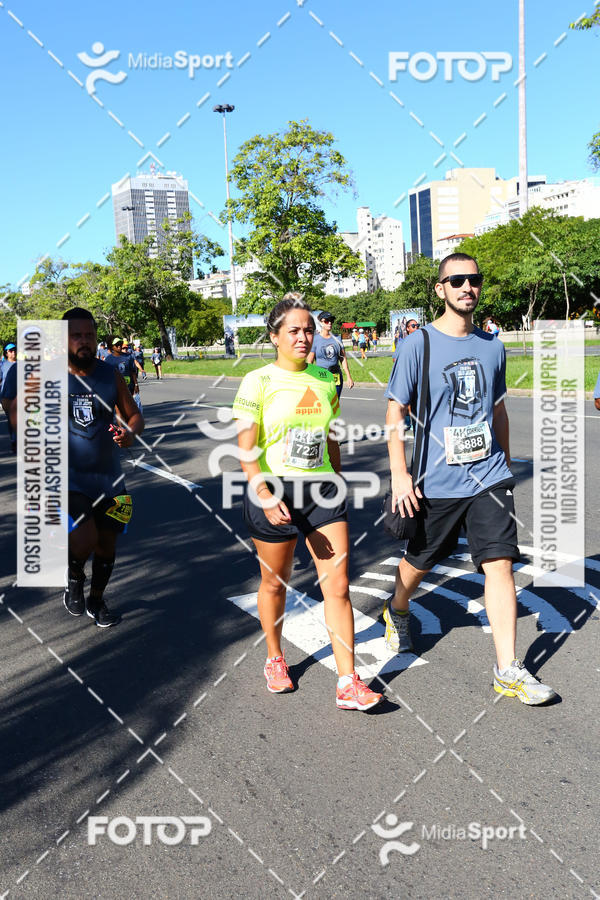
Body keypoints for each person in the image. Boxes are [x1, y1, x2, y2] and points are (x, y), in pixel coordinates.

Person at [382, 252, 556, 705]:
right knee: (420, 560)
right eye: (456, 280)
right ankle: (397, 609)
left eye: (473, 280)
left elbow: (498, 409)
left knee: (499, 564)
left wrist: (507, 465)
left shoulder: (492, 345)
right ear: (440, 289)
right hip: (435, 480)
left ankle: (507, 669)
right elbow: (394, 411)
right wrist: (400, 474)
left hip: (488, 479)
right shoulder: (416, 345)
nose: (467, 287)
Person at [232, 293, 382, 711]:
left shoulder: (324, 379)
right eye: (294, 330)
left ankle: (348, 682)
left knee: (337, 584)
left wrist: (337, 477)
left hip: (320, 492)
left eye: (309, 330)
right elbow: (245, 447)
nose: (304, 337)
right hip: (274, 490)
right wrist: (262, 493)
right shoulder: (257, 381)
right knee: (274, 582)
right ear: (274, 336)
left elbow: (331, 434)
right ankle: (275, 658)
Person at [5, 309, 144, 626]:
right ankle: (73, 578)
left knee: (107, 545)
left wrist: (130, 432)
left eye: (89, 335)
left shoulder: (110, 374)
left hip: (110, 480)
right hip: (68, 480)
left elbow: (134, 415)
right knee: (84, 539)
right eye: (76, 335)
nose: (84, 341)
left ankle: (97, 601)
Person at [306, 311, 354, 399]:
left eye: (331, 320)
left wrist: (349, 376)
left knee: (335, 405)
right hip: (320, 376)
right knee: (324, 404)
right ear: (320, 322)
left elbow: (343, 359)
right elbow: (309, 361)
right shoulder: (315, 339)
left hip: (336, 376)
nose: (330, 323)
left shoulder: (337, 338)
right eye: (327, 321)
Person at [0, 342, 17, 453]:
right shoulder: (2, 365)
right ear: (6, 353)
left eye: (14, 349)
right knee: (11, 420)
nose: (13, 352)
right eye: (11, 350)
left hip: (19, 396)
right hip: (6, 397)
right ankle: (13, 440)